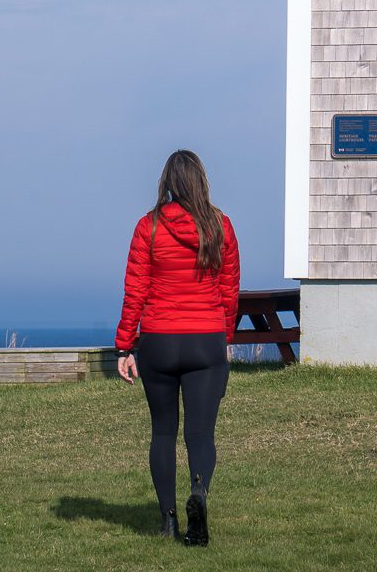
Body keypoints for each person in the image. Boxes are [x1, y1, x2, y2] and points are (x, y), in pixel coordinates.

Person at [116, 149, 241, 546]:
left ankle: (168, 521)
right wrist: (225, 339)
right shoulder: (221, 226)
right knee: (201, 435)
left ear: (167, 183)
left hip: (159, 341)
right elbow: (229, 291)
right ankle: (199, 493)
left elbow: (135, 290)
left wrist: (124, 347)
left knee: (163, 433)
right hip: (206, 340)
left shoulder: (147, 227)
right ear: (201, 181)